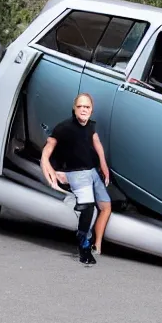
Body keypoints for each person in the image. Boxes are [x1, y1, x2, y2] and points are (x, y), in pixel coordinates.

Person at [40, 93, 112, 265]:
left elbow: (97, 143)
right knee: (88, 207)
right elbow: (48, 149)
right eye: (80, 106)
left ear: (91, 109)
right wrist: (48, 166)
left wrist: (103, 165)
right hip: (76, 173)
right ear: (74, 108)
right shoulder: (64, 127)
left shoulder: (90, 126)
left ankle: (97, 245)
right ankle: (84, 243)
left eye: (86, 107)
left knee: (106, 207)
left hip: (92, 171)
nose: (83, 110)